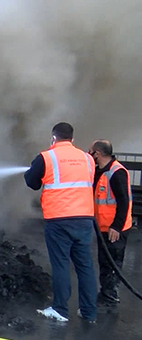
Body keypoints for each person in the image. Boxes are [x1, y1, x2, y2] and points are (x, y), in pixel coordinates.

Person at [24, 122, 97, 323]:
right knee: (85, 266)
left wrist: (34, 167)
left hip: (59, 220)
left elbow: (31, 182)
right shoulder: (87, 158)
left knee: (61, 265)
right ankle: (89, 312)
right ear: (72, 139)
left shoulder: (47, 157)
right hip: (84, 219)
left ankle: (60, 310)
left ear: (53, 138)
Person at [89, 140, 133, 311]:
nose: (89, 154)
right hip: (103, 227)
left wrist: (116, 226)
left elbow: (124, 202)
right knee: (105, 261)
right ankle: (106, 293)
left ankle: (110, 297)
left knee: (113, 263)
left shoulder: (116, 173)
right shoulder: (100, 171)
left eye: (91, 151)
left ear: (97, 153)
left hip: (115, 229)